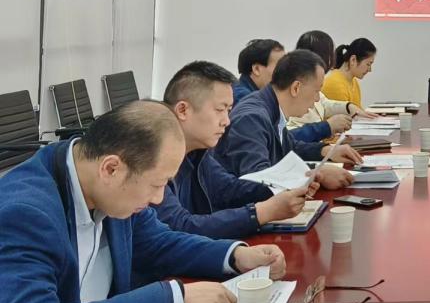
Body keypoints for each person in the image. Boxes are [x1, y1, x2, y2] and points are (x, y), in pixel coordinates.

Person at [0, 101, 287, 303]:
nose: (159, 198)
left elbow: (157, 242)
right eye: (156, 184)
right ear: (111, 169)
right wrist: (173, 301)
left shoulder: (103, 184)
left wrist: (234, 256)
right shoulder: (25, 214)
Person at [156, 60, 323, 238]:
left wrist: (287, 188)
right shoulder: (153, 157)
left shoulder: (197, 151)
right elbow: (181, 226)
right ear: (183, 110)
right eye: (220, 110)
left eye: (228, 110)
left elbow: (228, 189)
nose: (227, 121)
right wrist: (261, 212)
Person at [215, 49, 360, 189]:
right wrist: (316, 175)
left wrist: (326, 151)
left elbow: (289, 147)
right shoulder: (252, 118)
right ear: (296, 88)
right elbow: (259, 179)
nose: (317, 99)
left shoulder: (270, 104)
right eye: (316, 91)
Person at [288, 30, 377, 143]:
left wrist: (348, 107)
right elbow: (290, 136)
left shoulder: (310, 80)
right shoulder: (296, 85)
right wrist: (327, 127)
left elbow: (323, 103)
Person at [322, 38, 377, 109]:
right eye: (368, 64)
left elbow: (358, 112)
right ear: (353, 60)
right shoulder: (335, 84)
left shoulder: (353, 81)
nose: (370, 70)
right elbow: (345, 118)